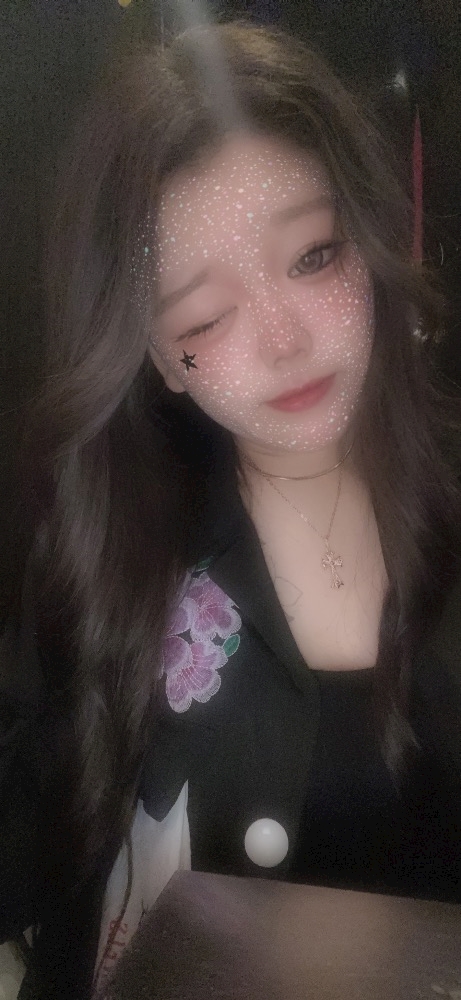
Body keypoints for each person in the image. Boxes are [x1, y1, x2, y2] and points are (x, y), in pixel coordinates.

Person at [1, 18, 461, 1000]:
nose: (282, 340)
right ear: (160, 357)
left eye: (312, 257)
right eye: (206, 316)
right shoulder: (112, 549)